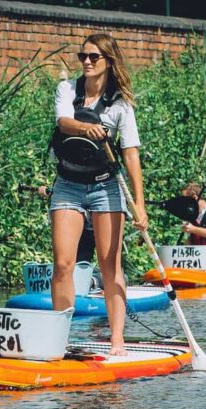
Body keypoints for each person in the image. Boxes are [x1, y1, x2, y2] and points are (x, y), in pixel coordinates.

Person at [49, 33, 147, 356]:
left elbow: (130, 154)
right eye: (83, 57)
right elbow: (64, 123)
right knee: (63, 263)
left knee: (109, 266)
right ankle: (59, 339)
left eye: (94, 57)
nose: (87, 62)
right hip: (68, 185)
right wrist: (85, 128)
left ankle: (117, 340)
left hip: (106, 186)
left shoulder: (120, 104)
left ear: (108, 62)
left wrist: (140, 205)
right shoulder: (68, 90)